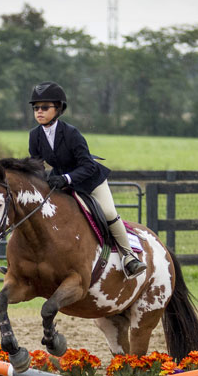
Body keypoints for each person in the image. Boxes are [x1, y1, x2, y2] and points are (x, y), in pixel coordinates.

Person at [28, 81, 147, 278]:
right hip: (61, 181)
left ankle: (129, 257)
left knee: (108, 212)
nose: (39, 111)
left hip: (90, 180)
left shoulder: (71, 133)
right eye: (36, 108)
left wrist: (65, 178)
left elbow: (88, 165)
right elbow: (36, 165)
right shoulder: (35, 135)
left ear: (58, 109)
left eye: (44, 107)